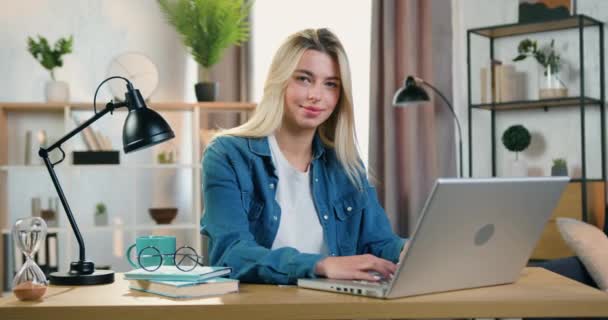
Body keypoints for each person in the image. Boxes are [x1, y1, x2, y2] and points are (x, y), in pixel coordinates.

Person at [200, 28, 406, 285]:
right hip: (258, 308)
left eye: (330, 84)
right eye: (304, 79)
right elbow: (230, 254)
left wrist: (411, 251)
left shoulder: (345, 165)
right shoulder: (228, 155)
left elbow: (380, 243)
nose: (316, 96)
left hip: (335, 308)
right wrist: (321, 265)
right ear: (280, 80)